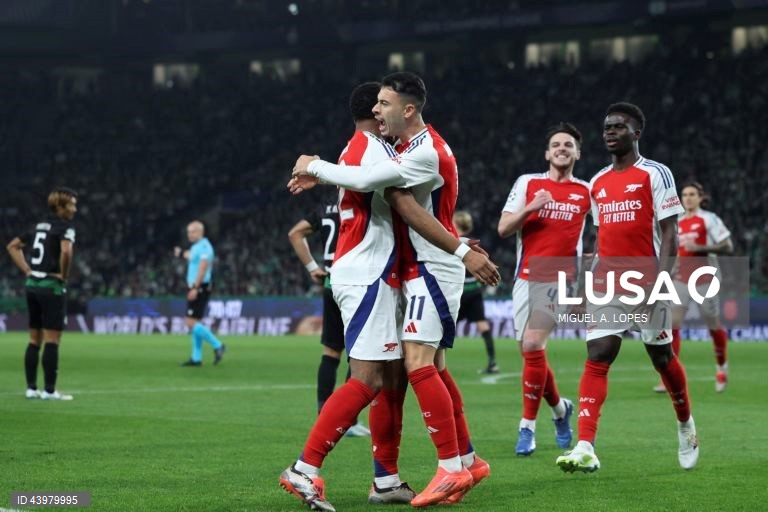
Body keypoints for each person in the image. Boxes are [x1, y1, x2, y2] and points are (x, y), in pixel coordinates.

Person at [288, 73, 499, 508]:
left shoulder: (411, 149)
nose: (382, 112)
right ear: (373, 112)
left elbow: (390, 195)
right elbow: (389, 196)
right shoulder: (375, 147)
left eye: (388, 104)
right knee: (372, 378)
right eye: (378, 105)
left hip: (402, 269)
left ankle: (402, 475)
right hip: (372, 272)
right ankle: (305, 470)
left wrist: (315, 166)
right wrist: (459, 247)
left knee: (404, 372)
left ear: (404, 109)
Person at [556, 103, 699, 473]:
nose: (610, 132)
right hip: (610, 282)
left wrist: (658, 286)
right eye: (606, 127)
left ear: (636, 133)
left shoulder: (655, 173)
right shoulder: (598, 182)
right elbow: (601, 241)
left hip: (647, 279)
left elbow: (670, 232)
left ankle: (686, 425)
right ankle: (585, 444)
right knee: (599, 352)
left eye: (618, 126)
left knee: (662, 358)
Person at [498, 122, 590, 456]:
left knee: (534, 342)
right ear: (547, 153)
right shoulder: (528, 183)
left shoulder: (587, 191)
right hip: (525, 275)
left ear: (577, 153)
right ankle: (561, 410)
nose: (562, 149)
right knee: (530, 352)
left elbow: (605, 234)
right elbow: (504, 228)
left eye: (568, 145)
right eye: (556, 145)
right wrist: (531, 207)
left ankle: (527, 427)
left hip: (559, 276)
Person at [288, 203, 371, 436]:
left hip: (331, 283)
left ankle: (324, 418)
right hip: (356, 283)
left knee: (331, 352)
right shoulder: (362, 201)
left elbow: (294, 233)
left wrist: (313, 267)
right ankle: (347, 421)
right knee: (361, 354)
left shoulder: (323, 209)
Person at [653, 181, 733, 393]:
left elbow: (728, 246)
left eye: (691, 194)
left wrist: (701, 247)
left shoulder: (709, 219)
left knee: (713, 325)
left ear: (700, 197)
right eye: (684, 194)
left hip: (706, 279)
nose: (687, 198)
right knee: (673, 325)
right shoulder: (676, 222)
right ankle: (669, 377)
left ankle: (722, 366)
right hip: (681, 280)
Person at [6, 187, 78, 400]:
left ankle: (30, 388)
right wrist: (63, 276)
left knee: (34, 339)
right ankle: (49, 391)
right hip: (51, 286)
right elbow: (66, 251)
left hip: (32, 285)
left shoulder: (39, 226)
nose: (75, 209)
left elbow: (12, 246)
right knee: (53, 339)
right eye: (72, 204)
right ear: (60, 207)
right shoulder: (65, 227)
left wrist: (27, 270)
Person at [173, 221, 225, 366]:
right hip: (197, 286)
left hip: (200, 286)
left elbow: (202, 267)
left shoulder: (205, 247)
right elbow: (191, 256)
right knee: (195, 322)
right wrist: (181, 254)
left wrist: (195, 288)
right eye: (188, 232)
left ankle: (218, 345)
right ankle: (196, 358)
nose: (190, 234)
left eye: (192, 232)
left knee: (190, 322)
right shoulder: (197, 247)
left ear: (200, 232)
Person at [453, 210, 499, 374]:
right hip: (474, 291)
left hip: (458, 290)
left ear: (456, 223)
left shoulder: (452, 241)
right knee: (482, 324)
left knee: (446, 326)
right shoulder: (474, 242)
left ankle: (434, 364)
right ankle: (493, 362)